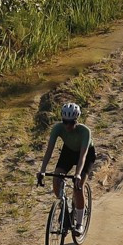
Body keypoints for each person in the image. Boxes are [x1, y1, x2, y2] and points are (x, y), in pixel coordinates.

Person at [36, 101, 98, 236]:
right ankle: (67, 206)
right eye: (65, 122)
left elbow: (82, 157)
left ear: (77, 120)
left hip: (86, 155)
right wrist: (42, 170)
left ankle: (80, 224)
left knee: (78, 187)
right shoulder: (58, 128)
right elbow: (49, 151)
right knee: (57, 180)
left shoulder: (85, 132)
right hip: (68, 151)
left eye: (71, 122)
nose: (68, 126)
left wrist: (77, 175)